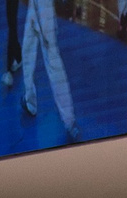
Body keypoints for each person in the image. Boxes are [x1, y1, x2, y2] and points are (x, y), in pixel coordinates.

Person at [13, 0, 76, 136]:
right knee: (27, 50)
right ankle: (30, 102)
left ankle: (69, 120)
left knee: (53, 62)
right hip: (35, 7)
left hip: (43, 8)